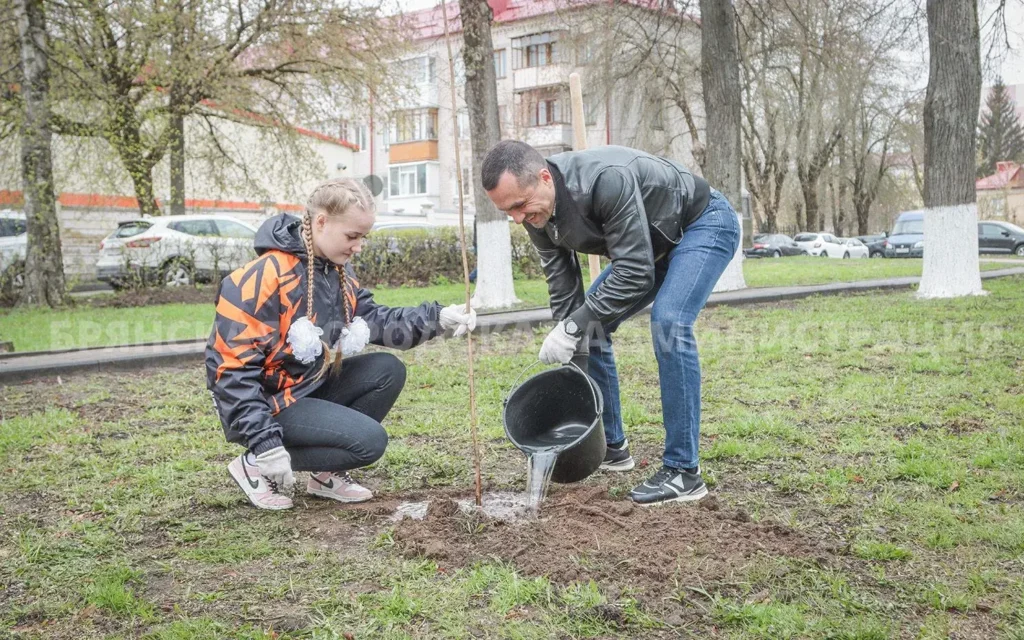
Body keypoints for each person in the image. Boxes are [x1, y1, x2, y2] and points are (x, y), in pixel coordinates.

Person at [481, 141, 740, 506]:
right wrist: (570, 332)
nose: (518, 219)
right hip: (650, 248)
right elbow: (563, 287)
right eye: (508, 212)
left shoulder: (605, 181)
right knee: (588, 325)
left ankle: (684, 471)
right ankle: (610, 445)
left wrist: (574, 327)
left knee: (669, 323)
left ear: (543, 178)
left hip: (701, 224)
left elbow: (635, 273)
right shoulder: (535, 211)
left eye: (519, 206)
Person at [206, 178, 476, 510]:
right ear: (321, 222)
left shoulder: (335, 272)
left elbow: (375, 319)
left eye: (363, 237)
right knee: (369, 443)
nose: (359, 246)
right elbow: (229, 371)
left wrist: (437, 318)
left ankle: (325, 474)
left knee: (386, 370)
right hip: (267, 404)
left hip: (306, 387)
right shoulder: (262, 277)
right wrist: (265, 441)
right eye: (352, 236)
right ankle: (254, 464)